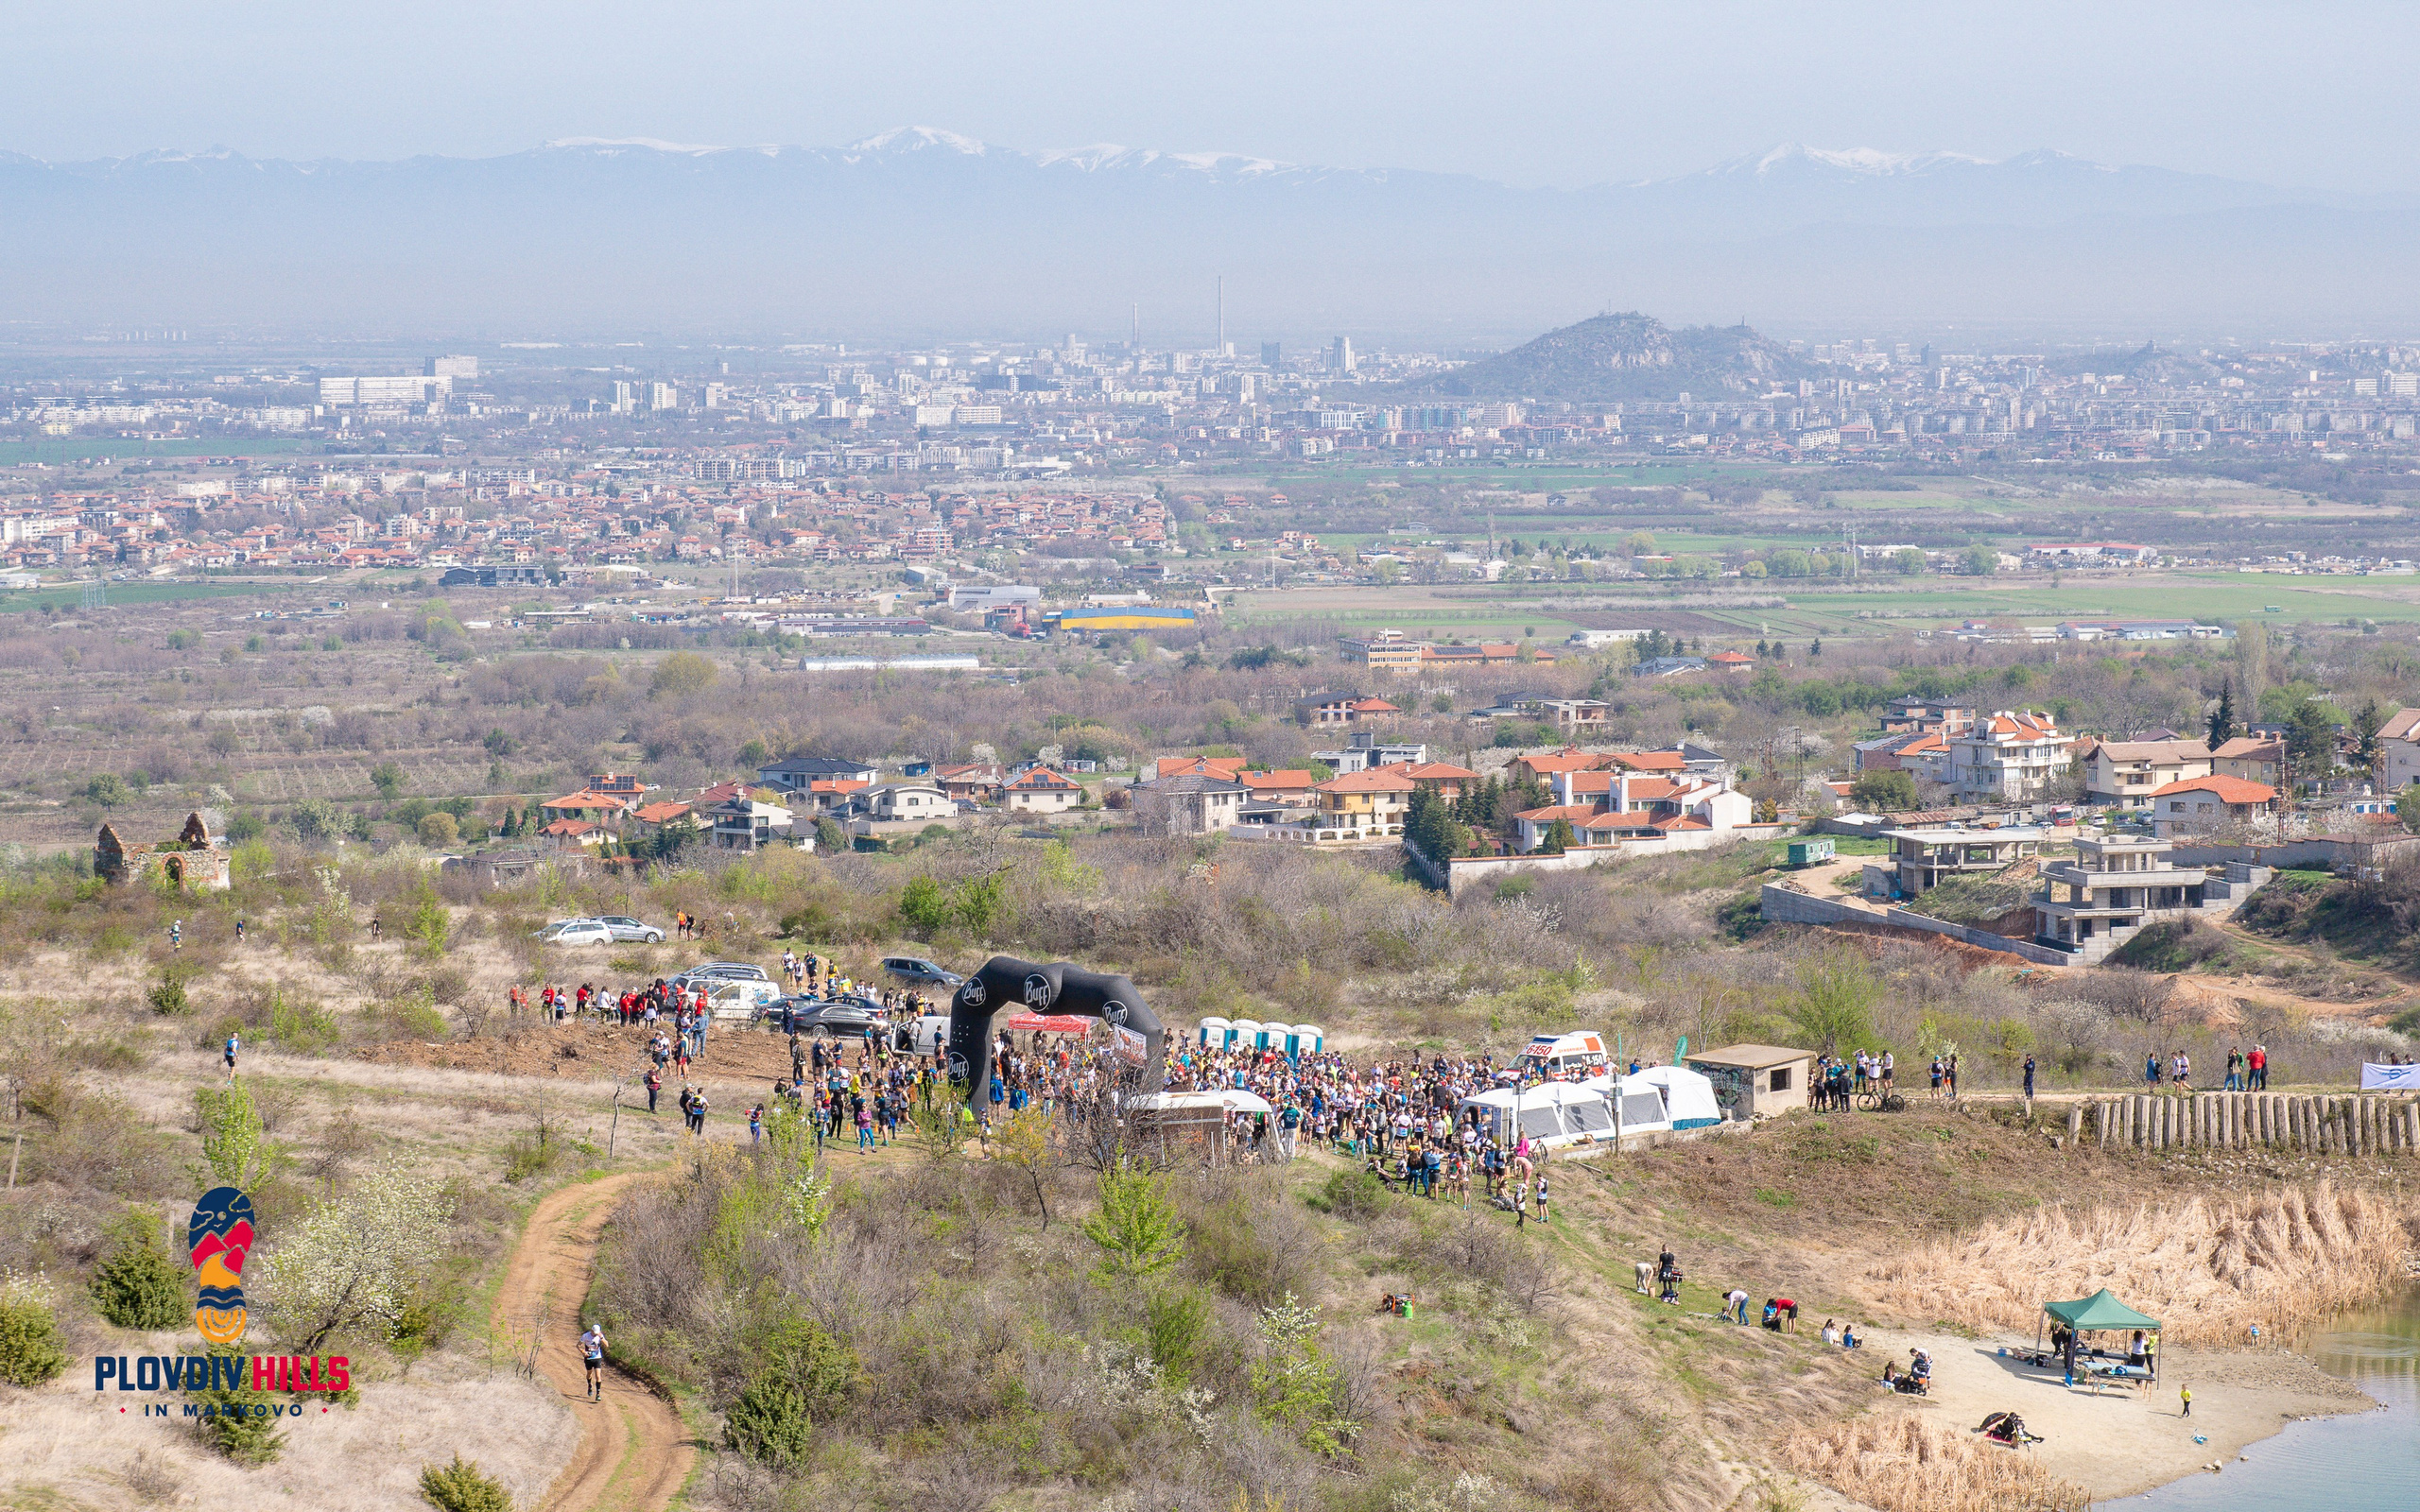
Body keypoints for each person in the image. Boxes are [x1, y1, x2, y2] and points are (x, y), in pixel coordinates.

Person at [579, 1322, 607, 1402]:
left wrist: (602, 1338)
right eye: (594, 1332)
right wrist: (583, 1352)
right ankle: (589, 1385)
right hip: (588, 1358)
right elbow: (578, 1345)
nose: (595, 1334)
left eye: (597, 1333)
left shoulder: (600, 1336)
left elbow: (607, 1344)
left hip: (597, 1358)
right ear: (591, 1330)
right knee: (589, 1373)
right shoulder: (586, 1336)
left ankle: (598, 1394)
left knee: (598, 1376)